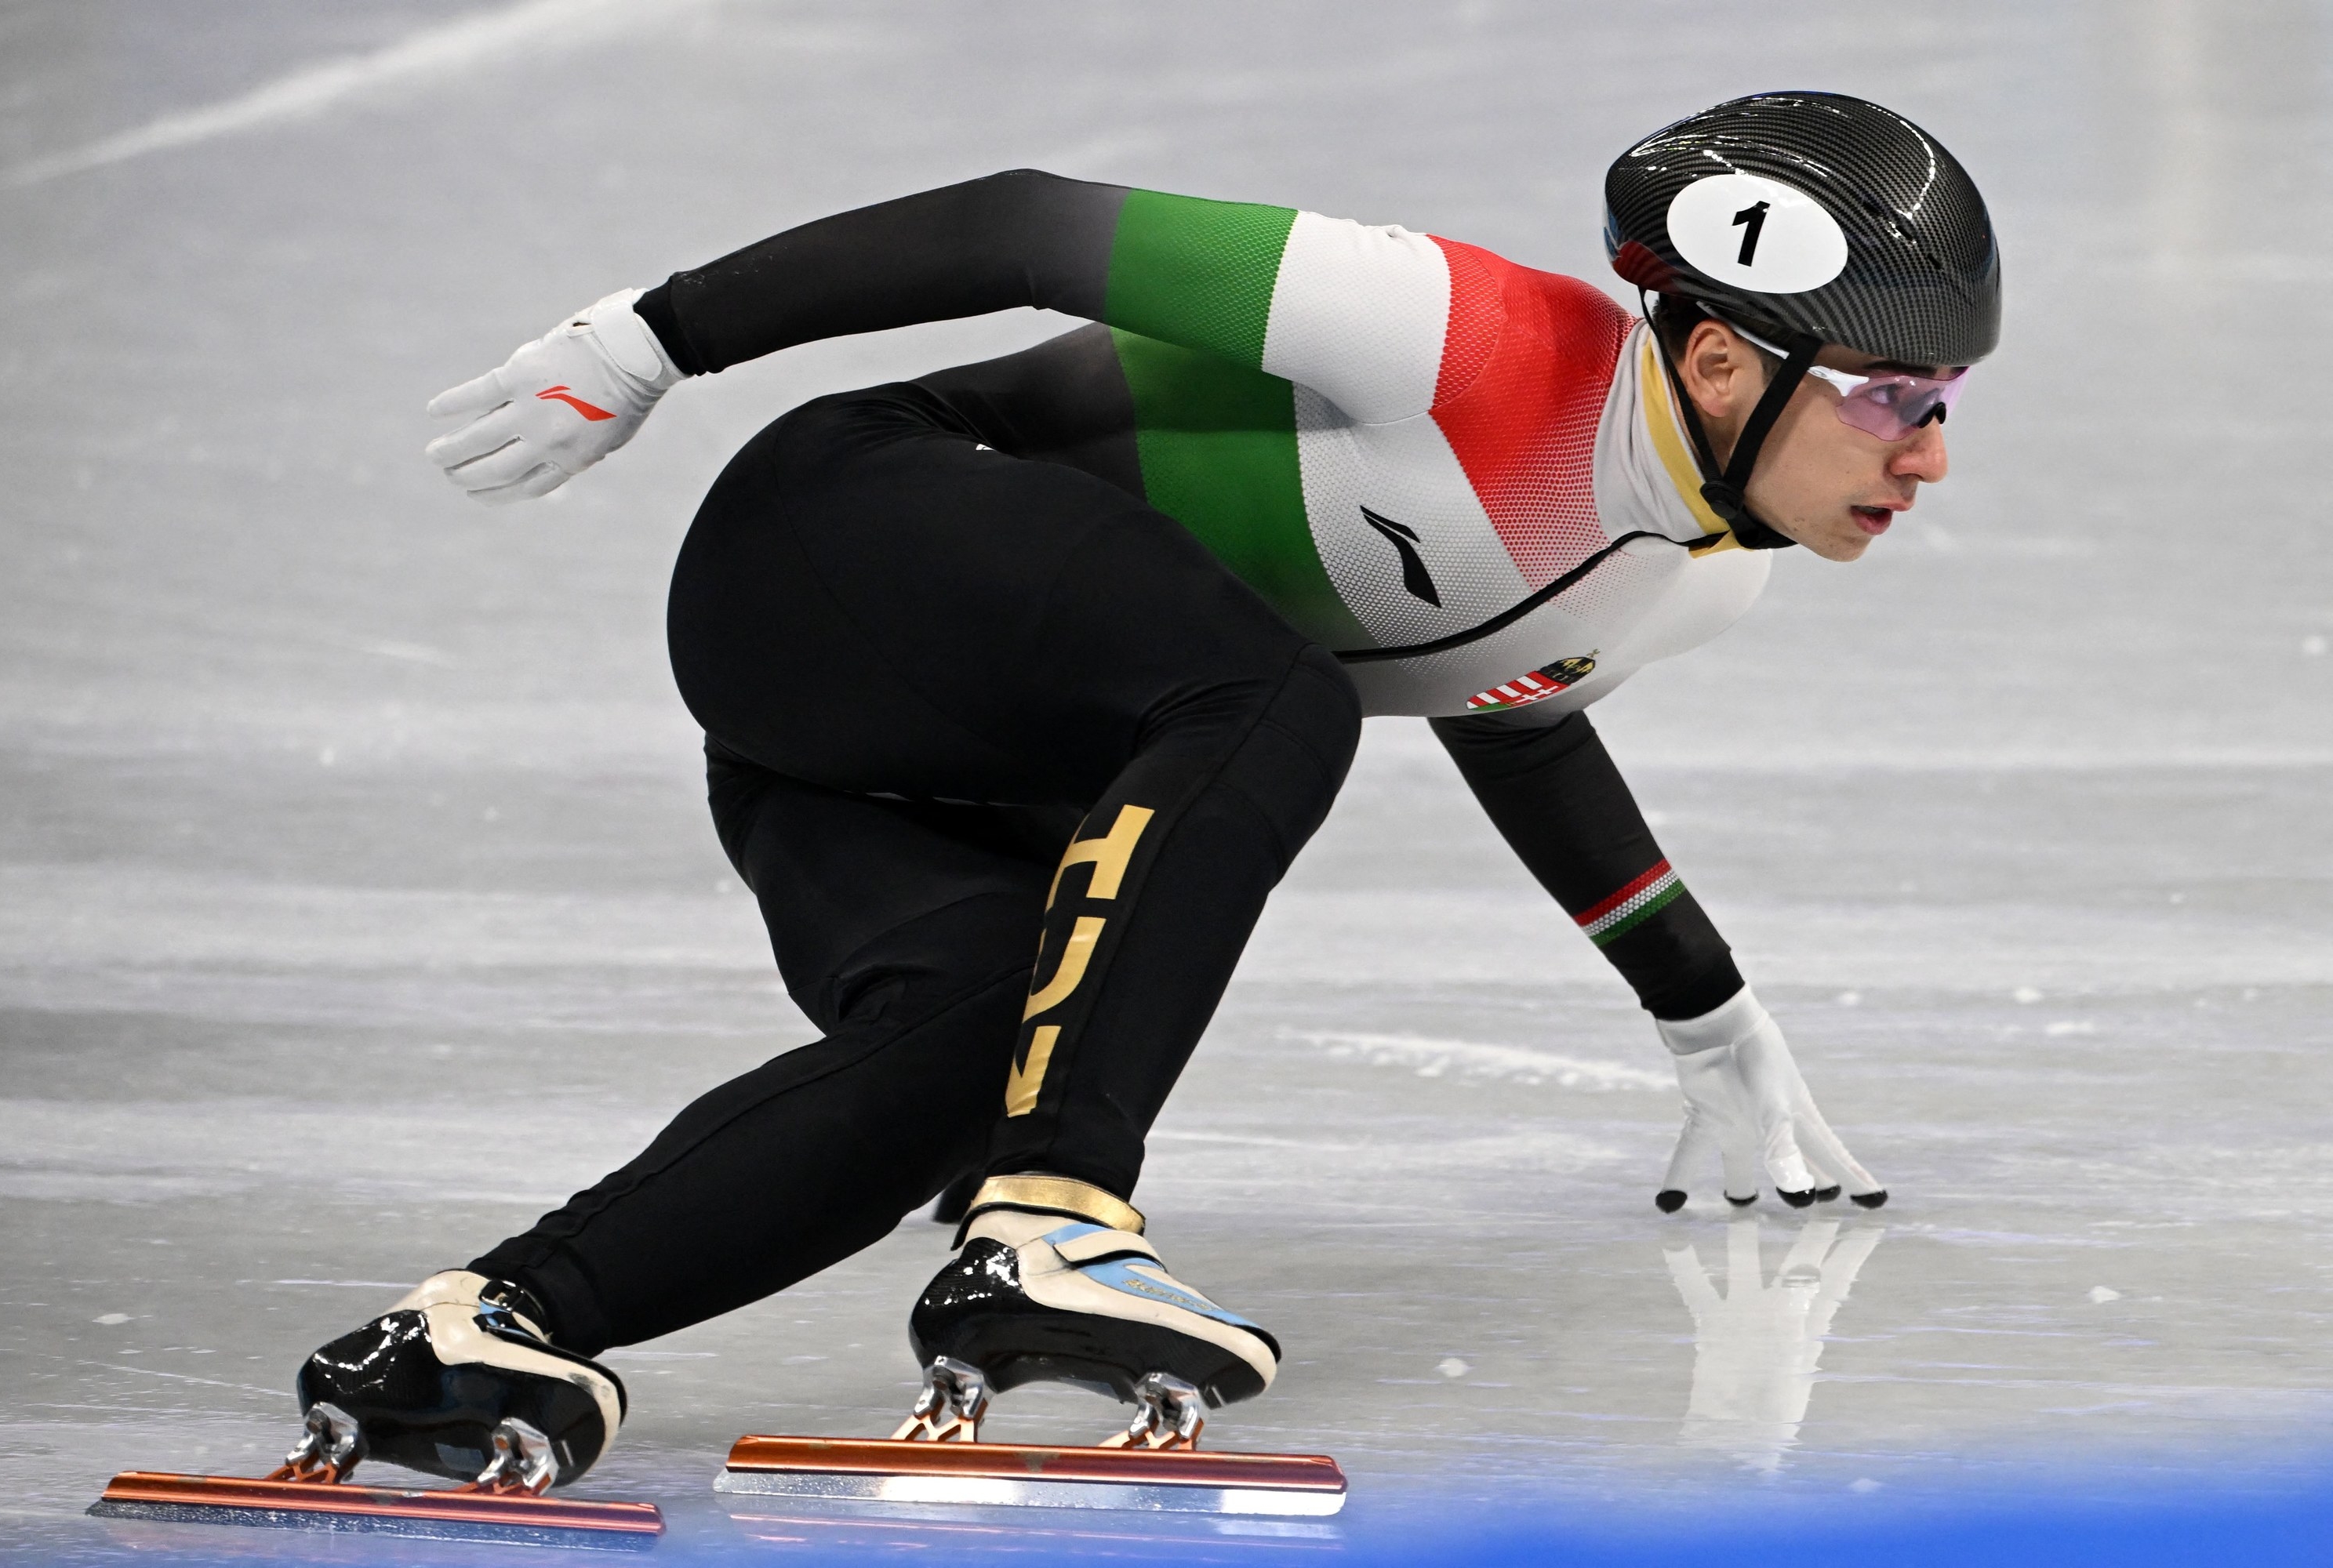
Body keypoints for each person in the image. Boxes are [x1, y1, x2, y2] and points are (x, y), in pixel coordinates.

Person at [285, 90, 2001, 1490]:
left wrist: (1709, 1020)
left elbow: (1517, 713)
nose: (1928, 454)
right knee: (1275, 696)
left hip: (918, 761)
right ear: (1719, 361)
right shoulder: (1457, 331)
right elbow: (1024, 224)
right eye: (1898, 400)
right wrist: (654, 338)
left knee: (981, 1037)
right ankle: (1057, 1219)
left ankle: (485, 1322)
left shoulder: (1708, 576)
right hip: (843, 537)